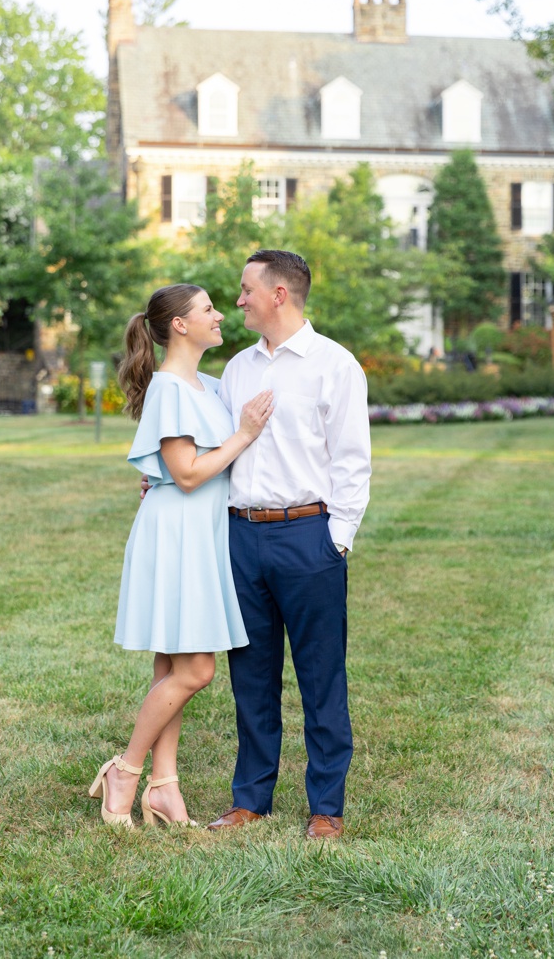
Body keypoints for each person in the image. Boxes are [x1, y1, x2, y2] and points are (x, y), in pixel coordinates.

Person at [90, 284, 274, 829]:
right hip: (178, 534)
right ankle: (124, 771)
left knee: (172, 663)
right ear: (180, 326)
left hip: (199, 534)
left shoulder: (208, 385)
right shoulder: (169, 388)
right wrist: (243, 435)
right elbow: (188, 473)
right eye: (208, 310)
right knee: (196, 670)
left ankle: (164, 788)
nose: (221, 315)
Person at [203, 249, 372, 841]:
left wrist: (337, 542)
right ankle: (251, 799)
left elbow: (353, 461)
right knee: (250, 675)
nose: (238, 300)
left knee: (321, 677)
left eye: (246, 289)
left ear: (279, 294)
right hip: (241, 535)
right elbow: (222, 447)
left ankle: (326, 806)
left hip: (309, 537)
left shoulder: (335, 365)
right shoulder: (238, 369)